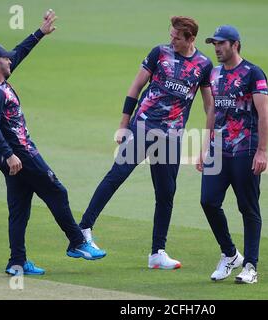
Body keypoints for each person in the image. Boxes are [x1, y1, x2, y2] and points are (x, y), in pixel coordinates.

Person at [79, 16, 214, 269]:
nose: (171, 39)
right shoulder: (159, 53)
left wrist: (207, 146)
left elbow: (209, 107)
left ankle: (157, 253)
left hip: (172, 136)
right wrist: (122, 126)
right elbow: (135, 87)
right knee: (117, 175)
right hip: (142, 126)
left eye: (177, 36)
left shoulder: (204, 65)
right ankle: (84, 229)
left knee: (166, 193)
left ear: (191, 39)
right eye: (171, 34)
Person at [0, 9, 105, 276]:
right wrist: (10, 154)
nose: (10, 59)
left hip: (11, 156)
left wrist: (40, 33)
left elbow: (19, 53)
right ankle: (78, 243)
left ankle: (17, 262)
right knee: (57, 192)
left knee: (19, 209)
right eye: (5, 58)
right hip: (20, 154)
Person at [197, 25, 268, 284]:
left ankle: (250, 266)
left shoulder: (253, 73)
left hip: (245, 150)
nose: (216, 48)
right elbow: (212, 111)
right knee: (208, 201)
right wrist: (205, 147)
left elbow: (264, 113)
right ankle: (230, 254)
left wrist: (262, 151)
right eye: (214, 44)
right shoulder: (214, 74)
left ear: (235, 44)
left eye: (221, 43)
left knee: (248, 208)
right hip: (219, 151)